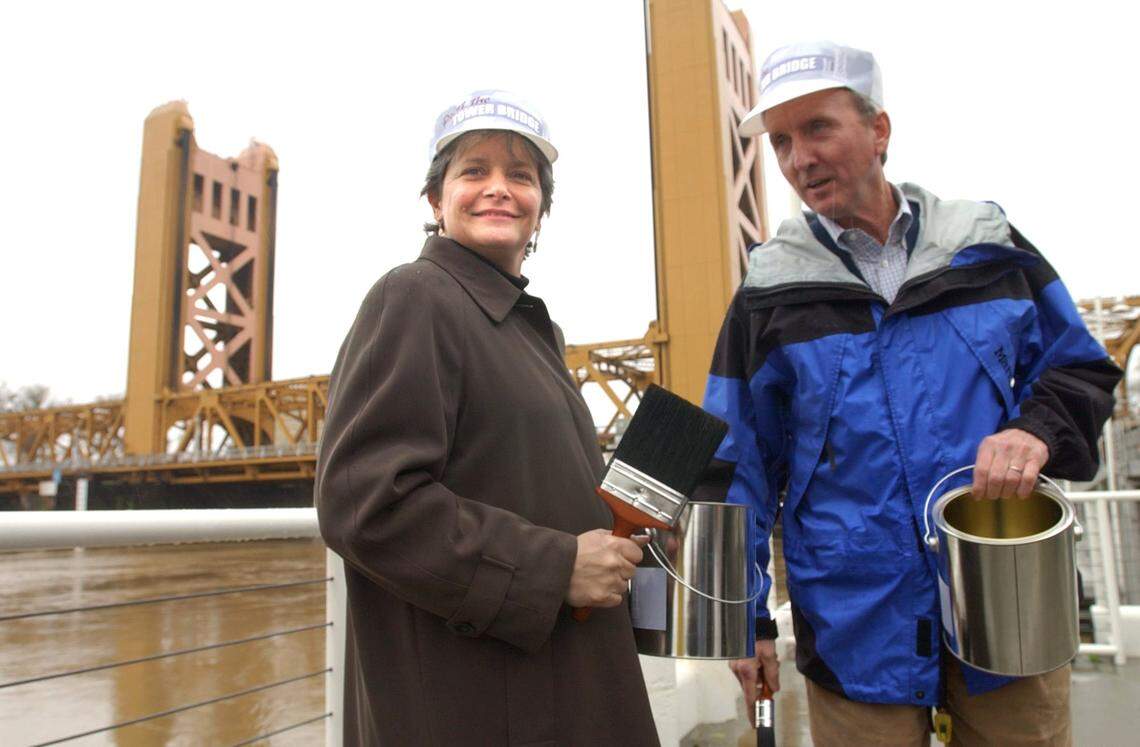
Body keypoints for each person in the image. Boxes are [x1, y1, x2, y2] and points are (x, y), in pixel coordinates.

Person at [700, 43, 1121, 745]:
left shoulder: (986, 246)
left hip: (1006, 607)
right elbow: (733, 462)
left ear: (880, 131)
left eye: (818, 128)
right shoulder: (768, 296)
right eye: (780, 141)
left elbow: (1079, 366)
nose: (799, 158)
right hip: (854, 626)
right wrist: (745, 624)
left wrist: (1036, 428)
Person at [315, 90, 658, 747]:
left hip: (556, 683)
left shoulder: (537, 332)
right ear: (435, 200)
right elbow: (364, 503)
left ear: (541, 209)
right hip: (480, 703)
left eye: (520, 176)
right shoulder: (413, 297)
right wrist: (557, 566)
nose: (498, 188)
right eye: (474, 171)